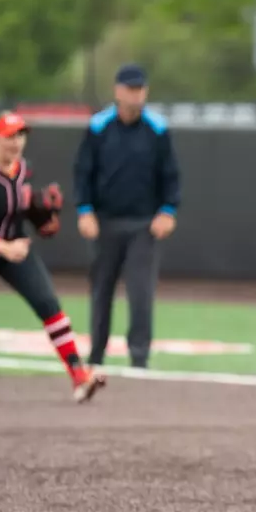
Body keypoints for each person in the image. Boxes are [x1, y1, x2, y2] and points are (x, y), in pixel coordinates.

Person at [0, 111, 106, 402]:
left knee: (49, 305)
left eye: (20, 135)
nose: (17, 142)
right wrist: (0, 247)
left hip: (15, 247)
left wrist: (45, 223)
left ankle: (79, 377)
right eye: (10, 135)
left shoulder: (23, 169)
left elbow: (23, 213)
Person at [73, 63, 181, 371]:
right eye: (131, 89)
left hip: (143, 224)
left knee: (140, 292)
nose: (136, 95)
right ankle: (96, 355)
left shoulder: (157, 129)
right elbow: (83, 172)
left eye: (141, 89)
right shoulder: (99, 127)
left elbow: (171, 175)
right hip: (104, 221)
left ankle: (139, 357)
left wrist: (168, 210)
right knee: (101, 289)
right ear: (118, 91)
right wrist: (85, 210)